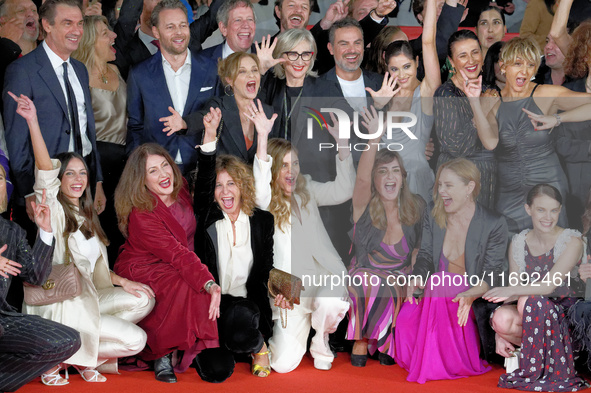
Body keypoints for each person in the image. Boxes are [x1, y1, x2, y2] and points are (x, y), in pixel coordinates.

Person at [10, 92, 155, 385]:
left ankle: (74, 357)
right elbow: (44, 174)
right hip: (62, 304)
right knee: (137, 340)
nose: (78, 179)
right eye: (69, 174)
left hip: (90, 297)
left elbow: (93, 267)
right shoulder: (55, 209)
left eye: (83, 173)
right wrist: (33, 122)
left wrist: (122, 281)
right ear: (59, 180)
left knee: (144, 299)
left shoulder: (88, 215)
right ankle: (55, 354)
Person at [253, 111, 352, 372]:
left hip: (323, 277)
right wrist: (262, 137)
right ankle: (279, 338)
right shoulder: (263, 203)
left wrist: (342, 144)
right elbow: (262, 190)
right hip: (291, 291)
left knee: (333, 301)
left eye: (295, 163)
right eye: (284, 165)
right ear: (272, 169)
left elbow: (343, 190)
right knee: (283, 365)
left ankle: (321, 339)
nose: (292, 171)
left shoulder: (305, 187)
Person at [114, 141, 221, 383]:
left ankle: (188, 344)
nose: (163, 174)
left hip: (180, 261)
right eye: (153, 171)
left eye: (165, 166)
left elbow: (204, 184)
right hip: (145, 266)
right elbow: (175, 253)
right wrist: (207, 283)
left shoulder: (179, 187)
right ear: (141, 180)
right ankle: (162, 352)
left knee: (190, 277)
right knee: (182, 282)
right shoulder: (142, 214)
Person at [395, 158, 508, 383]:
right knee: (405, 322)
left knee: (440, 282)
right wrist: (417, 278)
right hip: (436, 295)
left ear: (469, 188)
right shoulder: (433, 213)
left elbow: (492, 274)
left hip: (471, 296)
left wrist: (471, 294)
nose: (441, 191)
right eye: (439, 185)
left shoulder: (494, 223)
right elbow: (426, 256)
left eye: (448, 185)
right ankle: (434, 357)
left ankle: (437, 364)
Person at [3, 0, 106, 242]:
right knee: (53, 264)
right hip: (46, 186)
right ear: (46, 25)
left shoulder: (80, 69)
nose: (77, 30)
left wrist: (97, 178)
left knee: (85, 254)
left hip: (84, 182)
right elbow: (17, 138)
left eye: (80, 23)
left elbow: (86, 130)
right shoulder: (22, 70)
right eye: (67, 23)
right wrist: (28, 191)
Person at [467, 37, 591, 235]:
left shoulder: (544, 94)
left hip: (548, 185)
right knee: (510, 252)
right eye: (518, 63)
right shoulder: (491, 99)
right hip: (508, 192)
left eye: (531, 65)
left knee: (552, 251)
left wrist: (558, 119)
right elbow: (490, 143)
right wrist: (474, 104)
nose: (524, 71)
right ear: (504, 66)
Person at [192, 107, 274, 382]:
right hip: (213, 305)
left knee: (240, 331)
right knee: (215, 372)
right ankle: (237, 345)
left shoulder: (261, 220)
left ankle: (258, 347)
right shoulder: (207, 218)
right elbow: (203, 178)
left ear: (243, 187)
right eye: (219, 185)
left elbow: (266, 269)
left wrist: (286, 292)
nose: (225, 191)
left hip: (246, 303)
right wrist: (211, 133)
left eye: (232, 183)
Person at [485, 184, 589, 391]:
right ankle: (546, 356)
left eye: (554, 210)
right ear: (528, 209)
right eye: (541, 209)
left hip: (565, 313)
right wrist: (500, 333)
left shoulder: (572, 240)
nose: (548, 217)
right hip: (531, 311)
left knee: (528, 301)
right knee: (501, 318)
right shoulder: (518, 241)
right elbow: (515, 285)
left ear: (560, 210)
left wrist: (512, 291)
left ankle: (556, 357)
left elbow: (549, 285)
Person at [346, 107, 425, 367]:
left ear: (403, 177)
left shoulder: (417, 206)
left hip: (399, 274)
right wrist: (374, 138)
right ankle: (361, 338)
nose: (390, 176)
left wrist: (416, 270)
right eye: (382, 172)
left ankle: (384, 340)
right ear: (375, 179)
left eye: (395, 171)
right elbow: (360, 180)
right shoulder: (364, 207)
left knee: (396, 285)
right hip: (367, 271)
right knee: (363, 280)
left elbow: (419, 250)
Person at [0, 162, 82, 390]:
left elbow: (34, 276)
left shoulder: (12, 231)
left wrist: (45, 231)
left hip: (3, 319)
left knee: (67, 340)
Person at [126, 0, 220, 176]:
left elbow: (216, 110)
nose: (179, 32)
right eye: (170, 27)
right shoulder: (140, 74)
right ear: (156, 31)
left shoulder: (210, 68)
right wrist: (136, 171)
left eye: (183, 25)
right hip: (157, 172)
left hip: (201, 166)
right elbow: (135, 127)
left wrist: (186, 124)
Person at [72, 15, 127, 267]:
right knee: (102, 229)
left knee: (124, 226)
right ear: (92, 41)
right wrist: (96, 180)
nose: (113, 36)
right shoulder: (77, 77)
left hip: (125, 163)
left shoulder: (116, 69)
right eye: (106, 33)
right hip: (97, 163)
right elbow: (81, 132)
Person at [165, 52, 279, 165]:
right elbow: (203, 117)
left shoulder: (267, 112)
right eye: (242, 71)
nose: (251, 75)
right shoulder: (220, 105)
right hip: (227, 181)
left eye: (254, 70)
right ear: (229, 80)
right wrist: (184, 123)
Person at [380, 0, 439, 203]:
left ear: (417, 63)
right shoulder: (381, 97)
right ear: (386, 68)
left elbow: (429, 41)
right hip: (385, 185)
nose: (402, 75)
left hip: (418, 185)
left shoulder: (426, 92)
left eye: (407, 66)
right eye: (394, 69)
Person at [433, 30, 496, 209]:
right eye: (463, 55)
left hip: (488, 181)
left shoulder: (489, 89)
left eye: (475, 52)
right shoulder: (445, 94)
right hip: (457, 185)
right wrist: (482, 108)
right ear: (452, 62)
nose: (471, 60)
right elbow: (456, 147)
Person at [256, 28, 318, 141]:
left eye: (305, 54)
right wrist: (261, 70)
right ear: (280, 56)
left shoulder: (324, 89)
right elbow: (247, 106)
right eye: (293, 54)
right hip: (272, 155)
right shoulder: (269, 85)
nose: (300, 61)